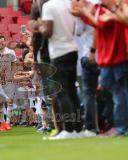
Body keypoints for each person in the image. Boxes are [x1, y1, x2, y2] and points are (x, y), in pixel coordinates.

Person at [71, 0, 128, 136]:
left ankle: (120, 127)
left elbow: (101, 23)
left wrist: (86, 13)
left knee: (118, 92)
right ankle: (116, 124)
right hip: (106, 58)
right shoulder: (101, 9)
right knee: (109, 89)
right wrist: (85, 14)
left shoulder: (118, 7)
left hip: (117, 57)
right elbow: (96, 23)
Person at [39, 0, 83, 140]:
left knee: (62, 92)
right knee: (72, 91)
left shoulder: (48, 6)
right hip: (72, 48)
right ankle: (77, 128)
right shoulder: (70, 3)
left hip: (58, 51)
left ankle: (68, 129)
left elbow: (49, 32)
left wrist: (40, 28)